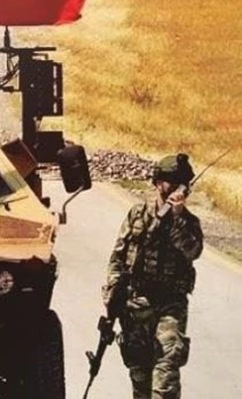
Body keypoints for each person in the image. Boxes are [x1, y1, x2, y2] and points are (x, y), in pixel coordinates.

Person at [103, 153, 204, 399]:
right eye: (174, 182)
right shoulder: (138, 215)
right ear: (159, 183)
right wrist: (113, 292)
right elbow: (118, 257)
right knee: (139, 375)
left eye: (183, 184)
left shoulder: (189, 222)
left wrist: (177, 219)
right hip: (137, 303)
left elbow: (193, 251)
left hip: (171, 304)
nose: (179, 189)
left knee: (167, 370)